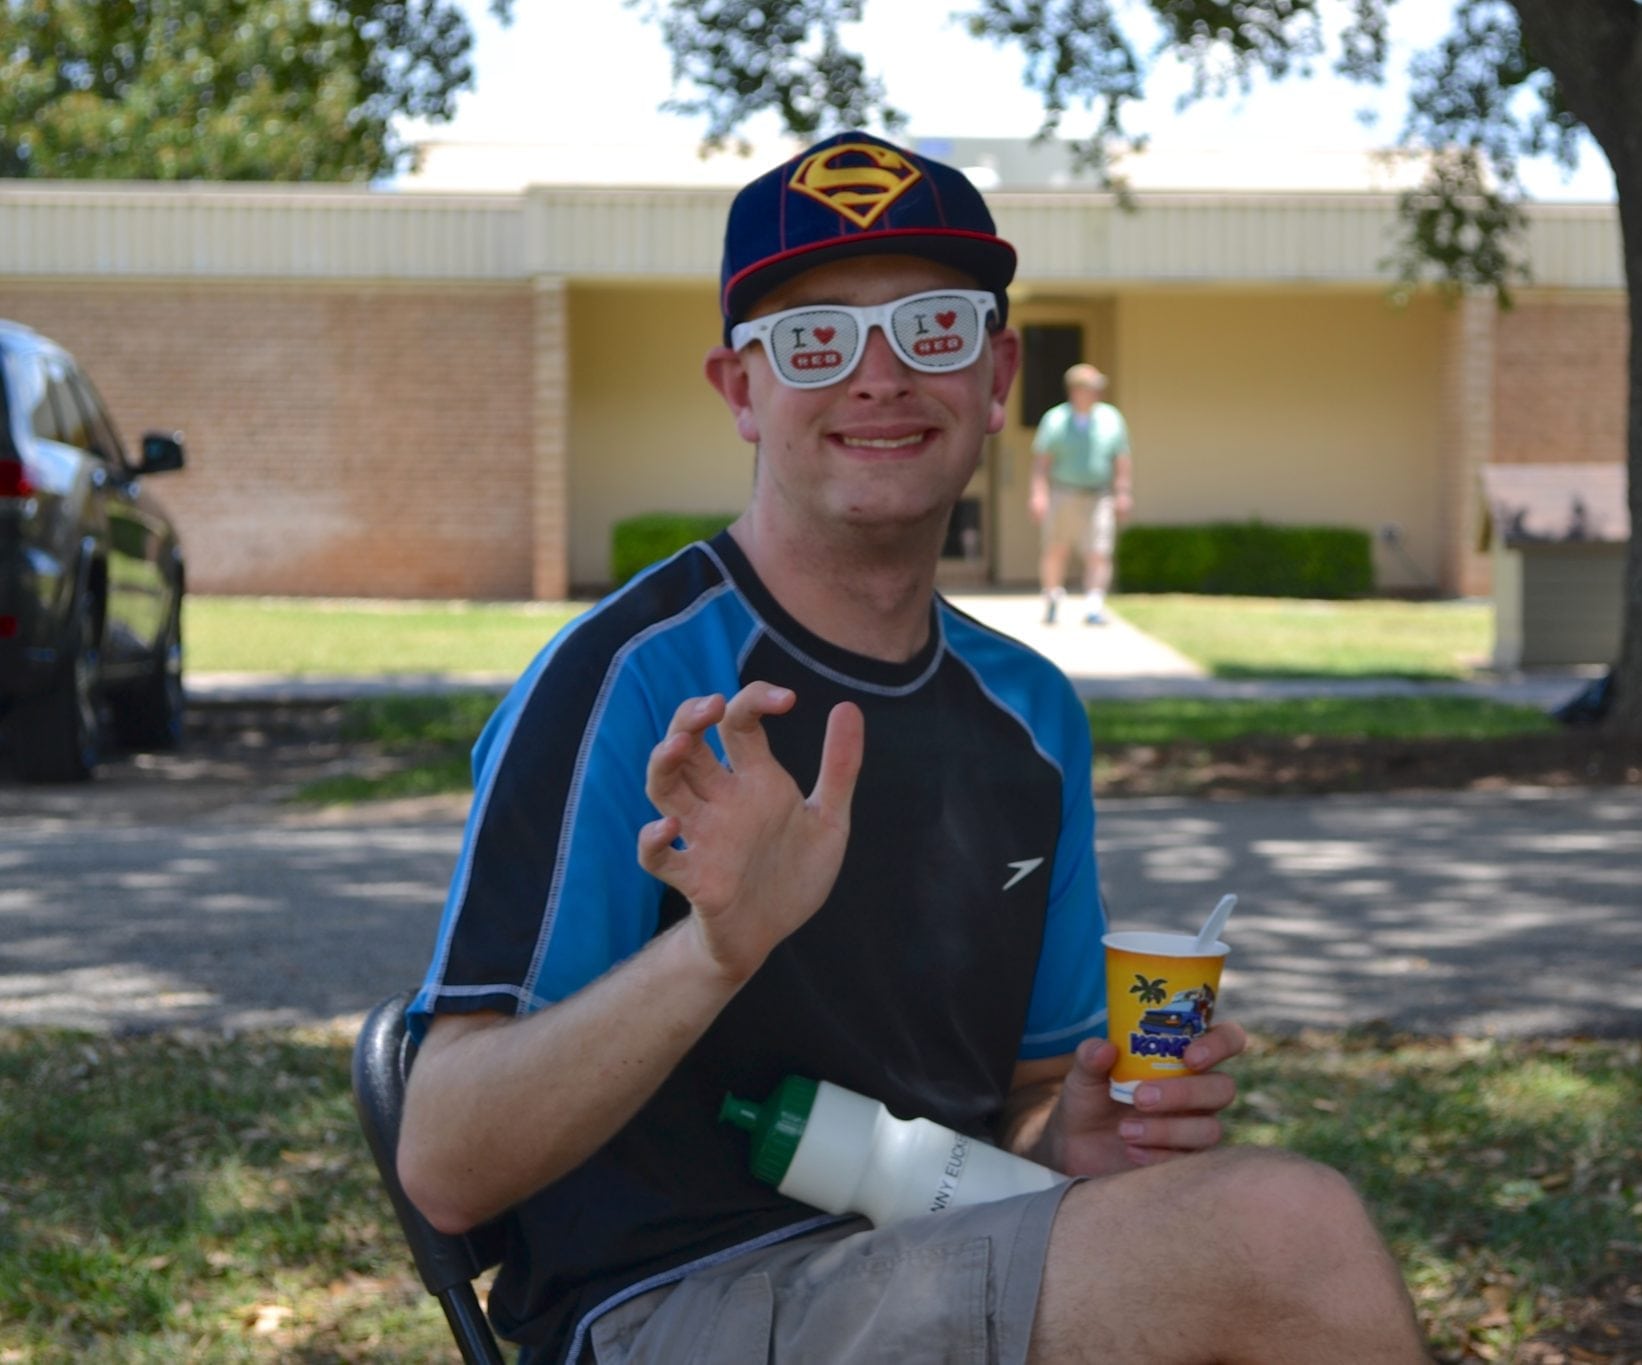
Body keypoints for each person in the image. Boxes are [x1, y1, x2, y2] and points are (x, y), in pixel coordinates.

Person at [396, 131, 1426, 1365]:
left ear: (995, 378)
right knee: (1279, 1234)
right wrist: (718, 949)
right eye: (816, 342)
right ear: (741, 391)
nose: (880, 378)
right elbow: (445, 1164)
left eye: (930, 331)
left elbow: (1026, 1105)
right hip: (666, 1307)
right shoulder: (632, 678)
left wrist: (1071, 1146)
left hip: (932, 1259)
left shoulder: (1032, 715)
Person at [1029, 361, 1132, 626]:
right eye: (1090, 387)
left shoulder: (1111, 417)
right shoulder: (1055, 419)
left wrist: (1123, 492)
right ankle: (1052, 598)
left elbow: (1121, 459)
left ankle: (1094, 606)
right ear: (1075, 390)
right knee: (1055, 549)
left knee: (1099, 551)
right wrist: (1038, 494)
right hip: (1063, 492)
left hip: (1099, 495)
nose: (1096, 392)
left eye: (1098, 388)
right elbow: (1042, 462)